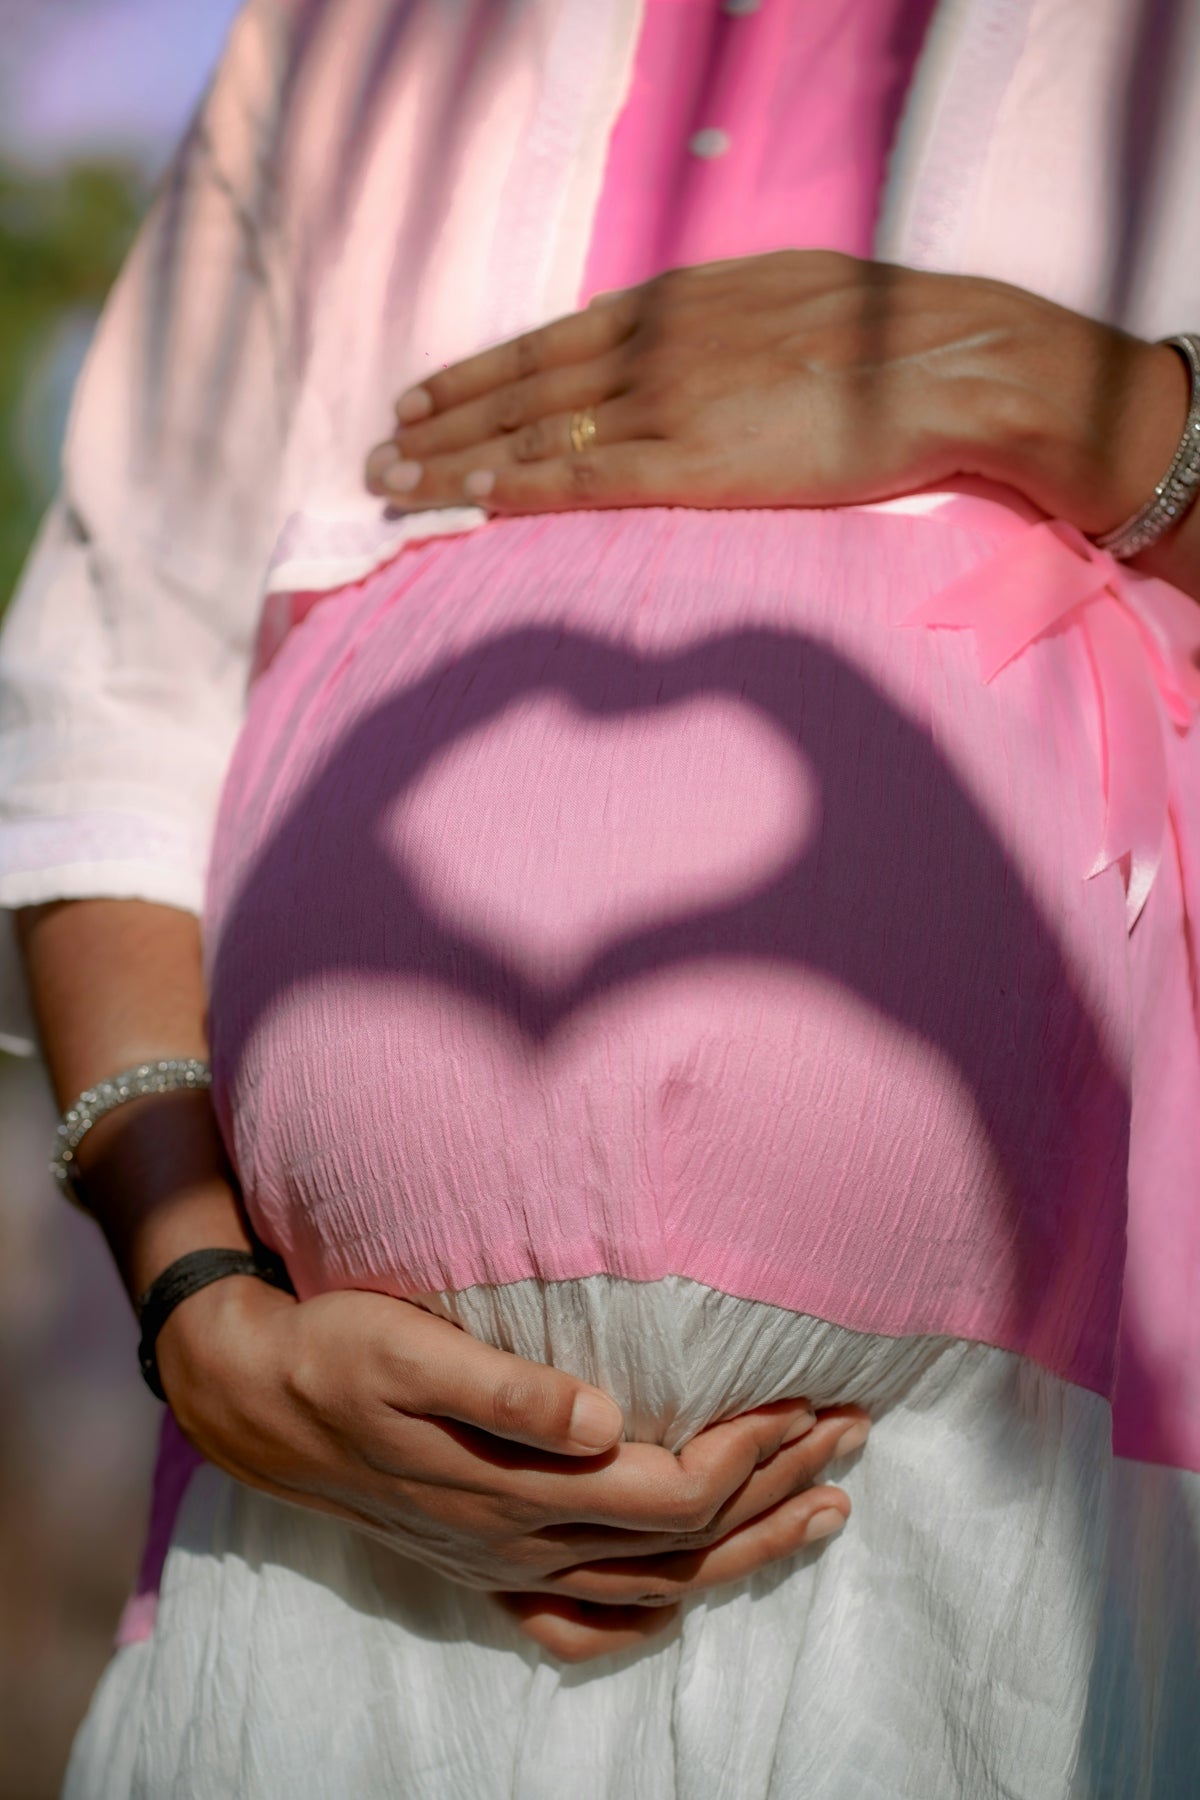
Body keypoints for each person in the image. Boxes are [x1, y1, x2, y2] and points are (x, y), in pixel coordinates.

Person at [2, 0, 1199, 1794]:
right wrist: (199, 1303)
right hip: (334, 1556)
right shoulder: (349, 37)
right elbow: (112, 680)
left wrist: (1079, 397)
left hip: (1033, 1534)